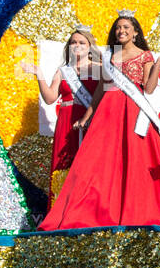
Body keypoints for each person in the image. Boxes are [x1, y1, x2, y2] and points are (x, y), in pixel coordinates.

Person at [40, 11, 160, 230]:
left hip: (132, 111)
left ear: (135, 33)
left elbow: (149, 88)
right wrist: (87, 115)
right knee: (98, 163)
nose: (121, 31)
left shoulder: (145, 55)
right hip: (108, 113)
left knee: (135, 161)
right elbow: (102, 90)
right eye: (118, 28)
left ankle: (136, 210)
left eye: (126, 28)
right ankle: (97, 210)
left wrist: (159, 61)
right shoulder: (110, 56)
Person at [19, 25, 101, 205]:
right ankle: (60, 211)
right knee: (63, 166)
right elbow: (49, 99)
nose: (77, 45)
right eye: (73, 42)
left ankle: (88, 209)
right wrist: (38, 74)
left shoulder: (99, 68)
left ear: (89, 47)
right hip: (66, 123)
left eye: (81, 42)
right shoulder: (63, 71)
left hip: (90, 122)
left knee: (89, 166)